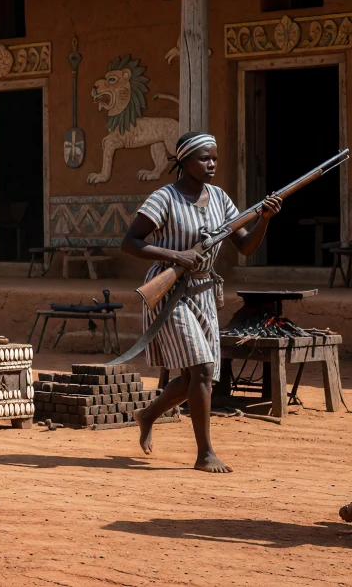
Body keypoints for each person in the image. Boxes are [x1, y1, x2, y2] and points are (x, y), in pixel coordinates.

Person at [121, 131, 281, 473]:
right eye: (204, 158)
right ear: (184, 161)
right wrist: (176, 255)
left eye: (215, 158)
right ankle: (205, 454)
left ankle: (148, 414)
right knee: (204, 370)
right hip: (169, 292)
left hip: (204, 291)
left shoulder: (220, 198)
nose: (212, 164)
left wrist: (264, 219)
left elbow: (246, 247)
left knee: (195, 376)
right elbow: (130, 242)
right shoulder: (164, 198)